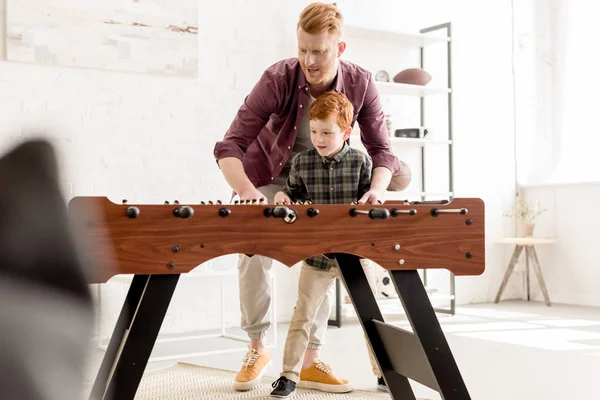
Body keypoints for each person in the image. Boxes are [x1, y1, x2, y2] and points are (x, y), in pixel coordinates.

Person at [213, 2, 401, 392]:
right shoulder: (277, 78)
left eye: (319, 51)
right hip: (269, 173)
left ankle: (311, 361)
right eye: (302, 49)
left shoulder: (362, 83)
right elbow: (230, 145)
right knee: (253, 249)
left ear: (340, 49)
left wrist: (377, 190)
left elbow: (383, 151)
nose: (308, 60)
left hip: (323, 176)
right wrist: (249, 195)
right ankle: (257, 346)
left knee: (323, 250)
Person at [268, 91, 385, 399]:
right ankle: (288, 376)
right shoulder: (302, 163)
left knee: (370, 317)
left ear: (346, 132)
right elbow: (289, 194)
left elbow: (368, 204)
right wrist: (282, 198)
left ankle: (385, 373)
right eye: (314, 131)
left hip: (355, 255)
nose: (318, 138)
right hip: (317, 256)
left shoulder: (361, 161)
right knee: (302, 315)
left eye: (327, 133)